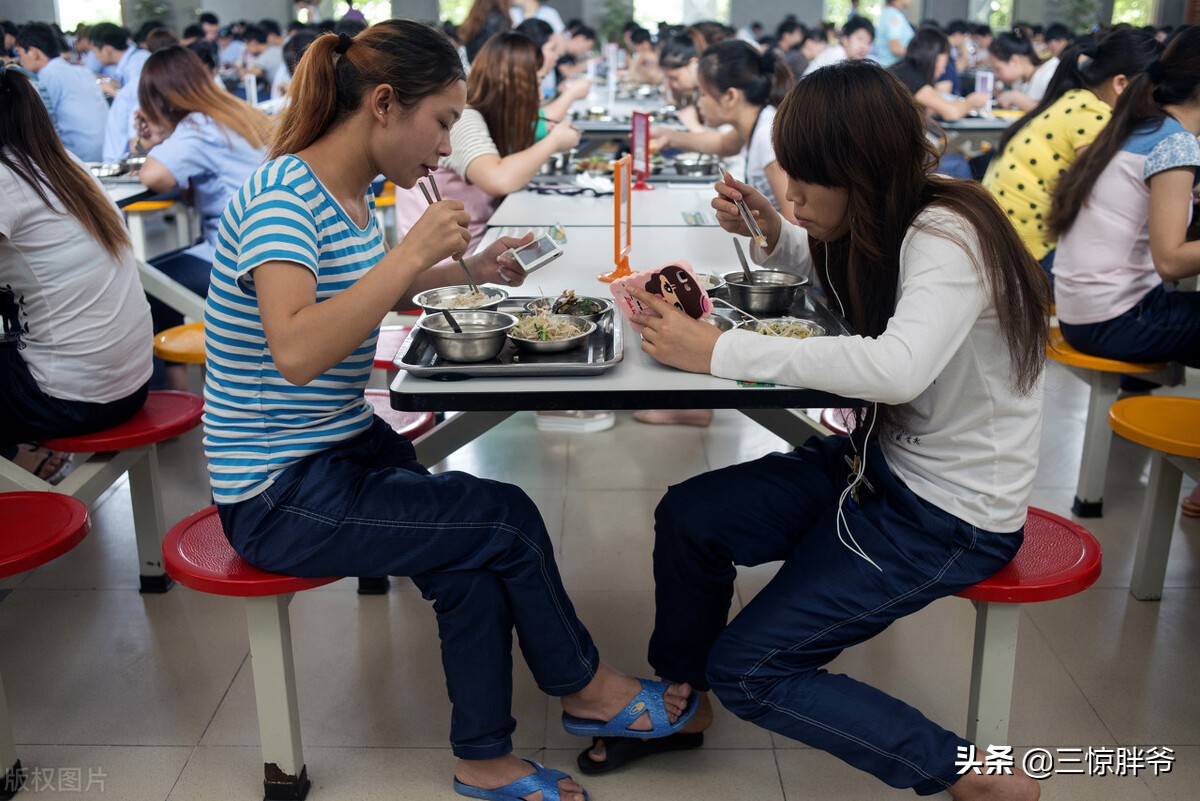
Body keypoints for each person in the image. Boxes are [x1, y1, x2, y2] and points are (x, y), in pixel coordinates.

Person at [204, 21, 698, 801]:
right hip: (275, 490)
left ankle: (482, 756)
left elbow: (367, 290)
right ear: (384, 104)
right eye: (441, 123)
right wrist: (410, 253)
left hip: (340, 449)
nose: (445, 149)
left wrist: (469, 267)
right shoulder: (280, 200)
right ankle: (587, 688)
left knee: (468, 553)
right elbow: (296, 350)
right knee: (502, 518)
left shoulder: (346, 192)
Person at [579, 61, 1048, 801]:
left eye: (806, 182)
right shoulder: (892, 218)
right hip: (879, 464)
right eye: (787, 176)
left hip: (948, 513)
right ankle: (685, 700)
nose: (791, 194)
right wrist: (779, 236)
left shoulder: (949, 233)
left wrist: (716, 352)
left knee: (753, 668)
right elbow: (848, 288)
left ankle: (966, 772)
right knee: (691, 516)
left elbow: (896, 367)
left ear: (864, 173)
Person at [1048, 25, 1200, 516]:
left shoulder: (1138, 126)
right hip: (1115, 321)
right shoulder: (1177, 144)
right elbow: (1171, 260)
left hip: (1081, 311)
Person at [0, 67, 152, 481]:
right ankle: (28, 456)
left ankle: (24, 463)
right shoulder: (59, 162)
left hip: (74, 399)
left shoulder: (4, 178)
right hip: (132, 383)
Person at [134, 45, 273, 390]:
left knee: (145, 284)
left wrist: (152, 137)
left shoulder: (197, 125)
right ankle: (179, 385)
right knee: (159, 277)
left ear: (160, 100)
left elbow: (154, 177)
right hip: (268, 244)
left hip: (235, 258)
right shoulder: (236, 112)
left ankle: (173, 392)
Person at [983, 25, 1160, 279]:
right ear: (1121, 83)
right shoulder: (1094, 117)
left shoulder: (1076, 99)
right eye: (1152, 92)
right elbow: (1103, 200)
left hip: (1001, 240)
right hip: (1026, 254)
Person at [651, 40, 794, 218]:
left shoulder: (767, 138)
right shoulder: (755, 123)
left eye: (703, 94)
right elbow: (722, 144)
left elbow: (795, 222)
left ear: (730, 96)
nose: (699, 103)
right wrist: (669, 136)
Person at [14, 23, 109, 161]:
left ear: (34, 52)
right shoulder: (81, 71)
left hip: (79, 156)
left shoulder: (47, 76)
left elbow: (40, 126)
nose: (20, 61)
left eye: (20, 53)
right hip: (105, 150)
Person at [890, 27, 989, 121]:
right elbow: (951, 113)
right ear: (933, 58)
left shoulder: (903, 69)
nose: (943, 71)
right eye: (943, 64)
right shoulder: (910, 78)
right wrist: (971, 102)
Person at [990, 28, 1059, 111]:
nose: (997, 75)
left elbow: (1057, 110)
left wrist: (1016, 99)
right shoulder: (1019, 81)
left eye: (998, 69)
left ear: (1014, 61)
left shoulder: (1051, 71)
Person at [803, 17, 875, 76]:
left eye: (868, 42)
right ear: (845, 39)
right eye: (860, 39)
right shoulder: (836, 56)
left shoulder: (850, 60)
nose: (864, 46)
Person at [876, 0, 915, 68]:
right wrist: (919, 54)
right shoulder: (894, 15)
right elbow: (895, 48)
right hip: (893, 71)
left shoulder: (889, 13)